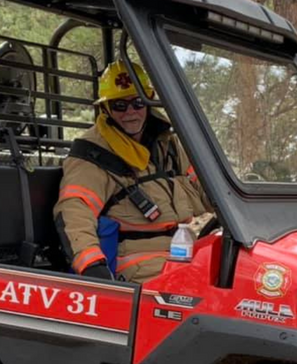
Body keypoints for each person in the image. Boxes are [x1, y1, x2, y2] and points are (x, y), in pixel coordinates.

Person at [54, 60, 211, 284]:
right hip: (136, 264)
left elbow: (206, 188)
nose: (130, 112)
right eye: (119, 105)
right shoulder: (93, 153)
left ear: (148, 101)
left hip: (184, 250)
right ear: (105, 108)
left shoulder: (167, 143)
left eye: (137, 102)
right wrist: (91, 265)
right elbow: (75, 209)